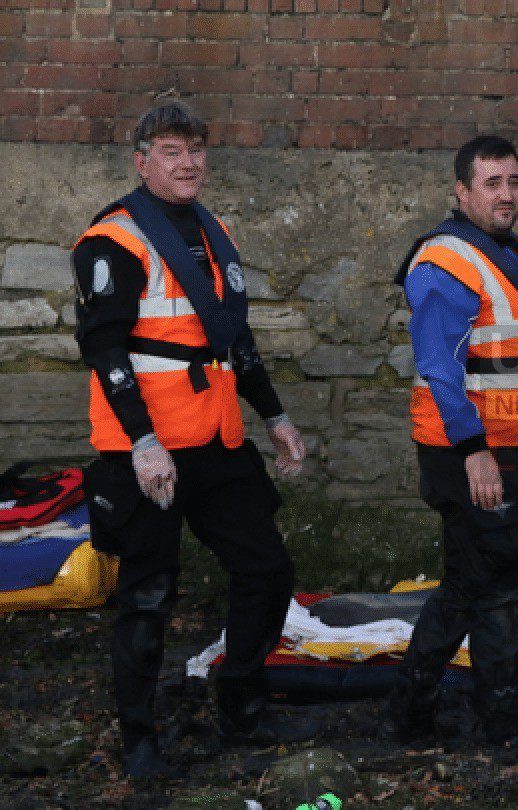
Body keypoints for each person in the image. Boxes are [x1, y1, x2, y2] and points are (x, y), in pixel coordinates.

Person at [73, 100, 312, 779]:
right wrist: (143, 441)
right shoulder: (112, 240)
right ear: (141, 160)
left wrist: (275, 417)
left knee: (268, 571)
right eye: (172, 150)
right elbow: (104, 348)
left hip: (216, 439)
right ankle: (140, 738)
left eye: (197, 149)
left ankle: (240, 703)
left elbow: (234, 337)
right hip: (143, 450)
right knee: (148, 596)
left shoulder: (215, 231)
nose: (188, 162)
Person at [382, 135, 518, 747]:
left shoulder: (501, 251)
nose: (507, 194)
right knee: (497, 592)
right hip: (469, 459)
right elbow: (440, 367)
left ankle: (407, 715)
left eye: (514, 181)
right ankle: (499, 730)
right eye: (492, 183)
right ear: (461, 191)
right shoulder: (448, 262)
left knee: (469, 588)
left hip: (502, 455)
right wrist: (475, 454)